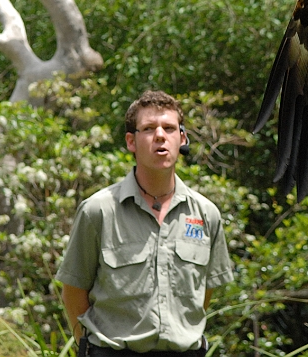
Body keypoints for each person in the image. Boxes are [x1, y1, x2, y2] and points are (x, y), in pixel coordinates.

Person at [57, 90, 233, 357]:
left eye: (169, 128)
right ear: (131, 141)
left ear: (182, 138)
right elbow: (73, 290)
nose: (160, 136)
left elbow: (204, 293)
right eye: (149, 128)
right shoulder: (99, 211)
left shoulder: (206, 214)